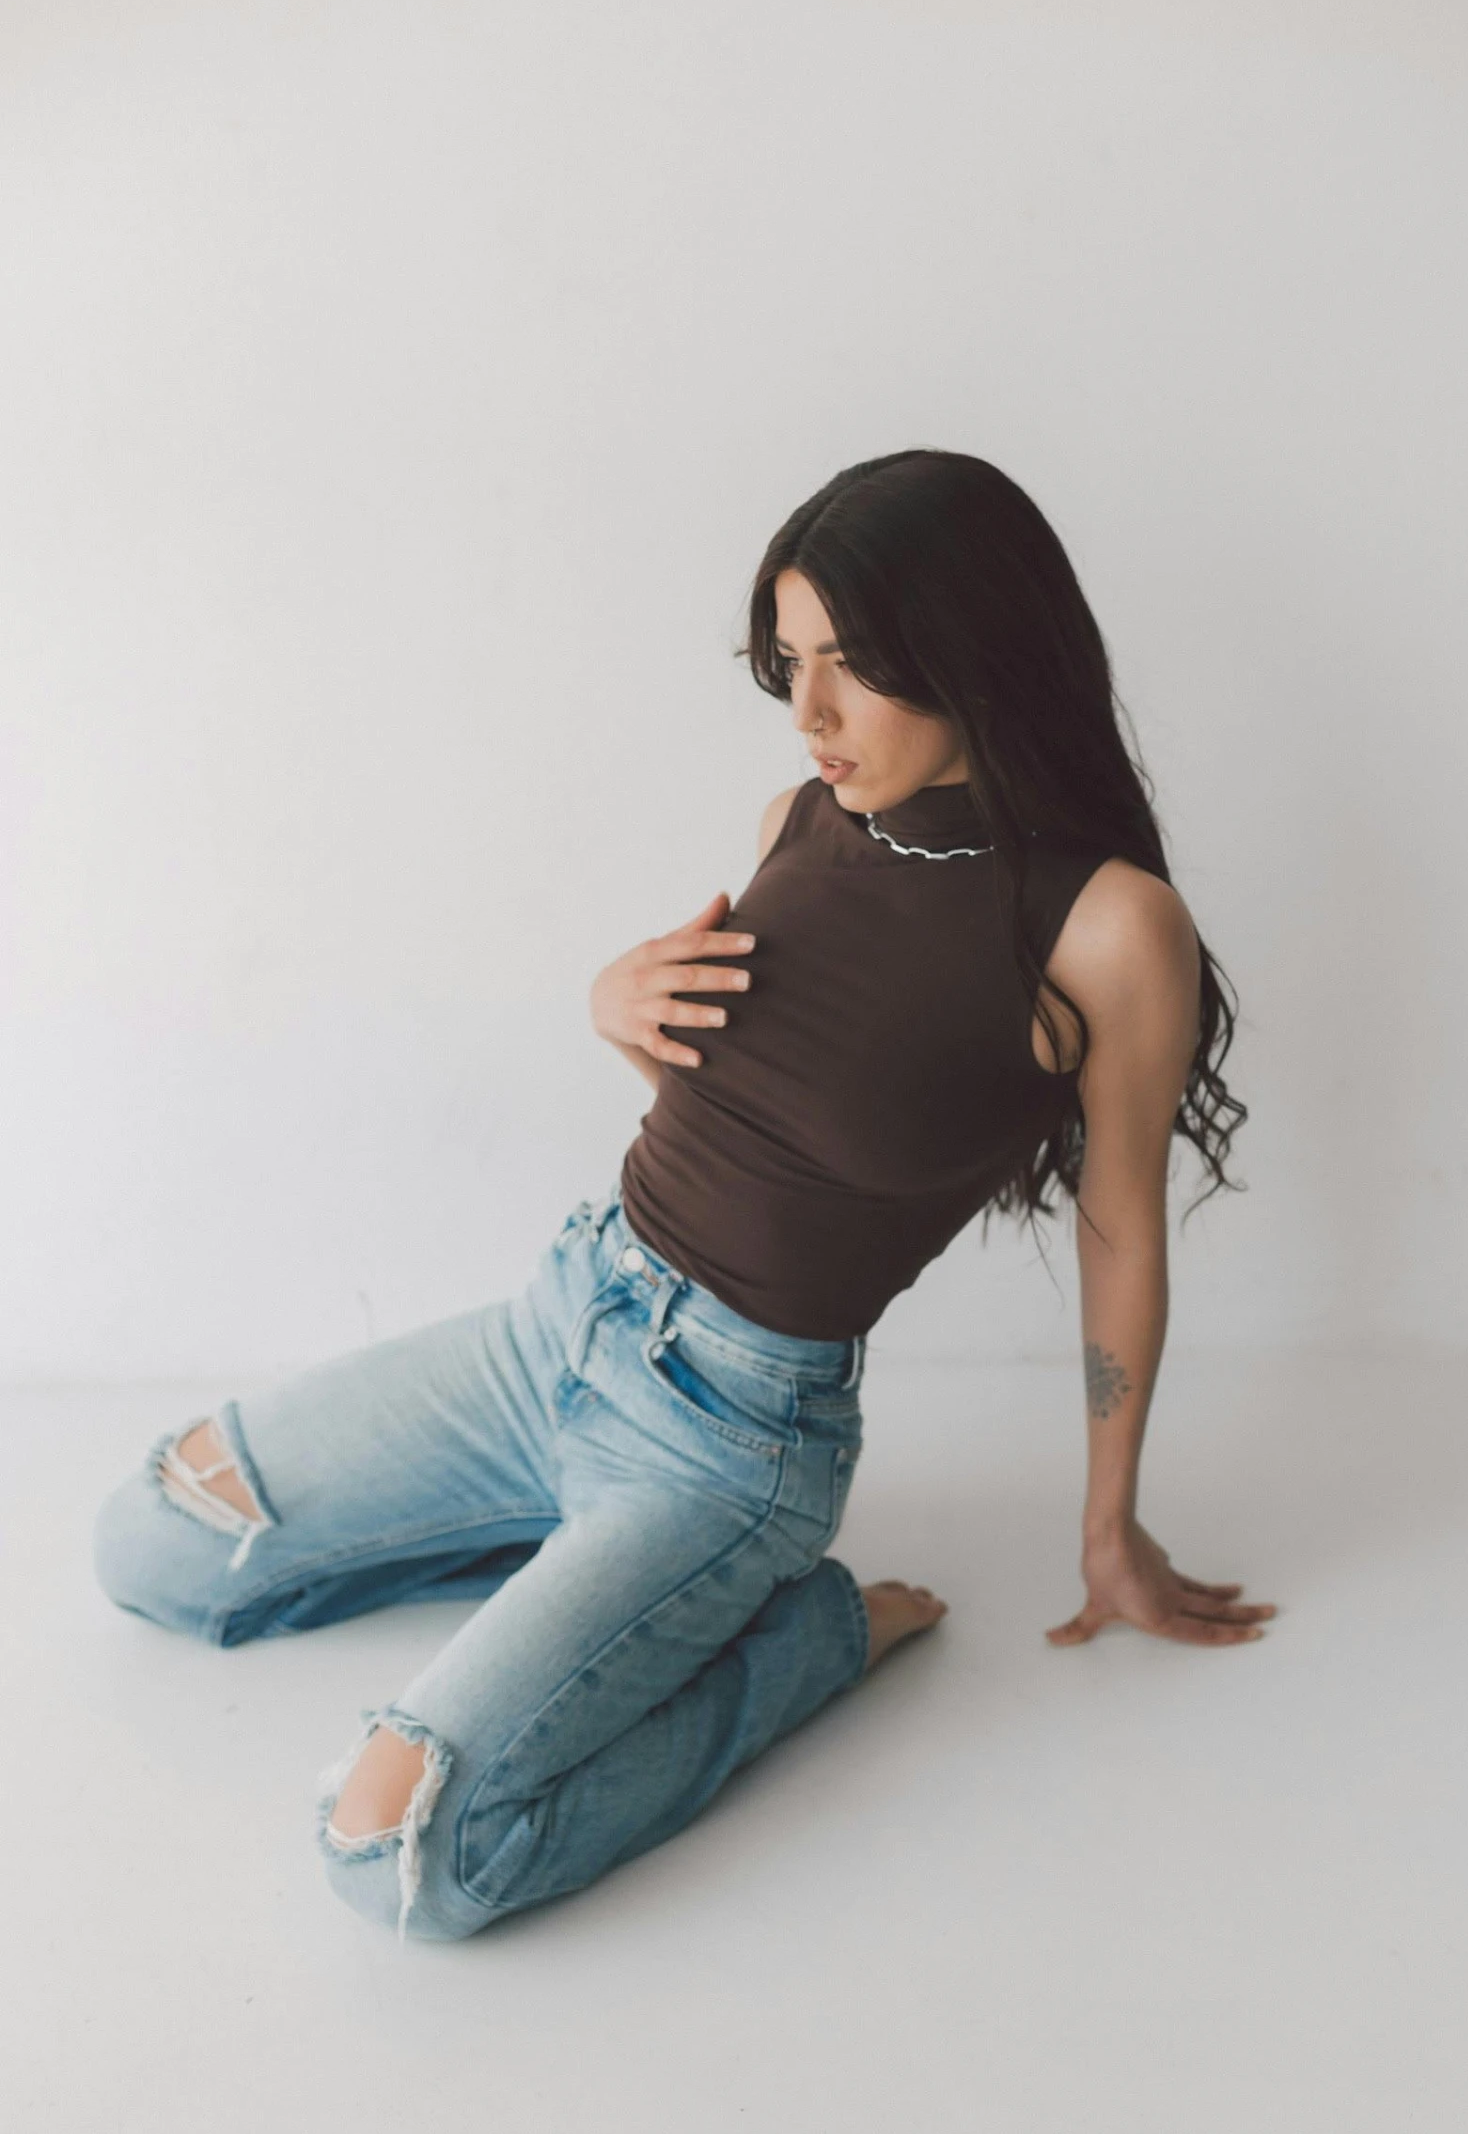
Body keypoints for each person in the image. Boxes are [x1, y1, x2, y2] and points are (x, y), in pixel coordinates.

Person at [92, 447, 1272, 1947]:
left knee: (393, 1854)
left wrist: (1109, 1528)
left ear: (974, 651)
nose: (811, 714)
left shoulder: (1107, 928)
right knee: (155, 1541)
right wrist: (614, 1009)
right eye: (789, 663)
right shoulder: (801, 816)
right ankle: (588, 1586)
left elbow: (1121, 1233)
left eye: (854, 667)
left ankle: (804, 1643)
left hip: (726, 1445)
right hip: (563, 1321)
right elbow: (748, 1116)